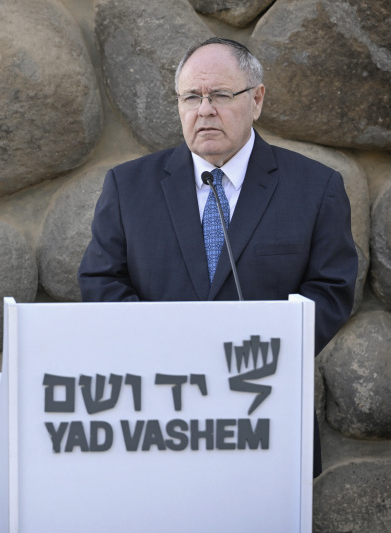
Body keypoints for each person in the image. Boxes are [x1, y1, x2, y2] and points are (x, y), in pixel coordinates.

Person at [77, 37, 357, 477]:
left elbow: (331, 290)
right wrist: (163, 350)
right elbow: (100, 280)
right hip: (157, 415)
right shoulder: (128, 187)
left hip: (264, 414)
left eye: (221, 95)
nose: (204, 110)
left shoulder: (315, 188)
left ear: (257, 99)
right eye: (191, 97)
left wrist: (248, 358)